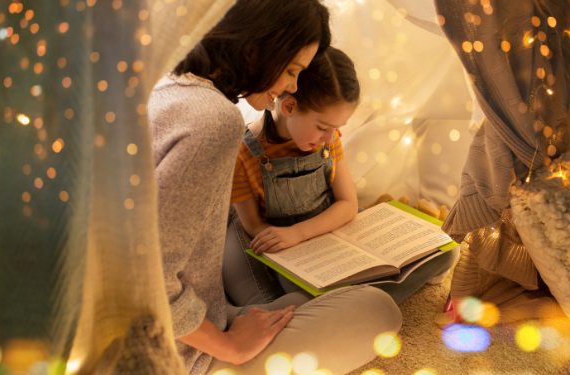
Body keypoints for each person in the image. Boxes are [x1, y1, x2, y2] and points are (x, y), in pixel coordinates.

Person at [149, 2, 401, 375]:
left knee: (298, 301)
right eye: (291, 71)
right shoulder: (214, 121)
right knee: (379, 311)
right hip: (175, 356)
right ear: (255, 50)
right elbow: (148, 279)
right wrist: (230, 346)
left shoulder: (168, 85)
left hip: (190, 320)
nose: (292, 87)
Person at [220, 46, 459, 371]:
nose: (332, 136)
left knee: (446, 251)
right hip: (280, 249)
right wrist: (291, 240)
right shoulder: (243, 151)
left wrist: (301, 233)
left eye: (337, 127)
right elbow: (252, 226)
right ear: (289, 105)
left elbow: (347, 205)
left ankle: (355, 297)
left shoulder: (327, 139)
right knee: (300, 301)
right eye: (322, 127)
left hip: (326, 234)